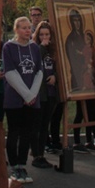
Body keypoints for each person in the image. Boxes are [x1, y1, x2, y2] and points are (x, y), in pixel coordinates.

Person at [3, 17, 43, 183]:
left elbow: (39, 72)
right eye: (24, 28)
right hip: (15, 98)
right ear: (17, 29)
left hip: (32, 98)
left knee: (27, 132)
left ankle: (22, 164)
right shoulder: (9, 47)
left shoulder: (35, 48)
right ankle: (13, 167)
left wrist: (32, 95)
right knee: (14, 131)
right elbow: (10, 72)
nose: (28, 30)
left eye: (30, 28)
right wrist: (26, 95)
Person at [31, 22, 55, 169]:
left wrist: (55, 76)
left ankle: (41, 153)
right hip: (40, 92)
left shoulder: (54, 50)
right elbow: (34, 64)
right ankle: (36, 154)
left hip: (51, 91)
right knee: (37, 124)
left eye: (47, 34)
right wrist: (42, 46)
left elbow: (59, 66)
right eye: (42, 35)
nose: (45, 37)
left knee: (46, 123)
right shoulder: (35, 48)